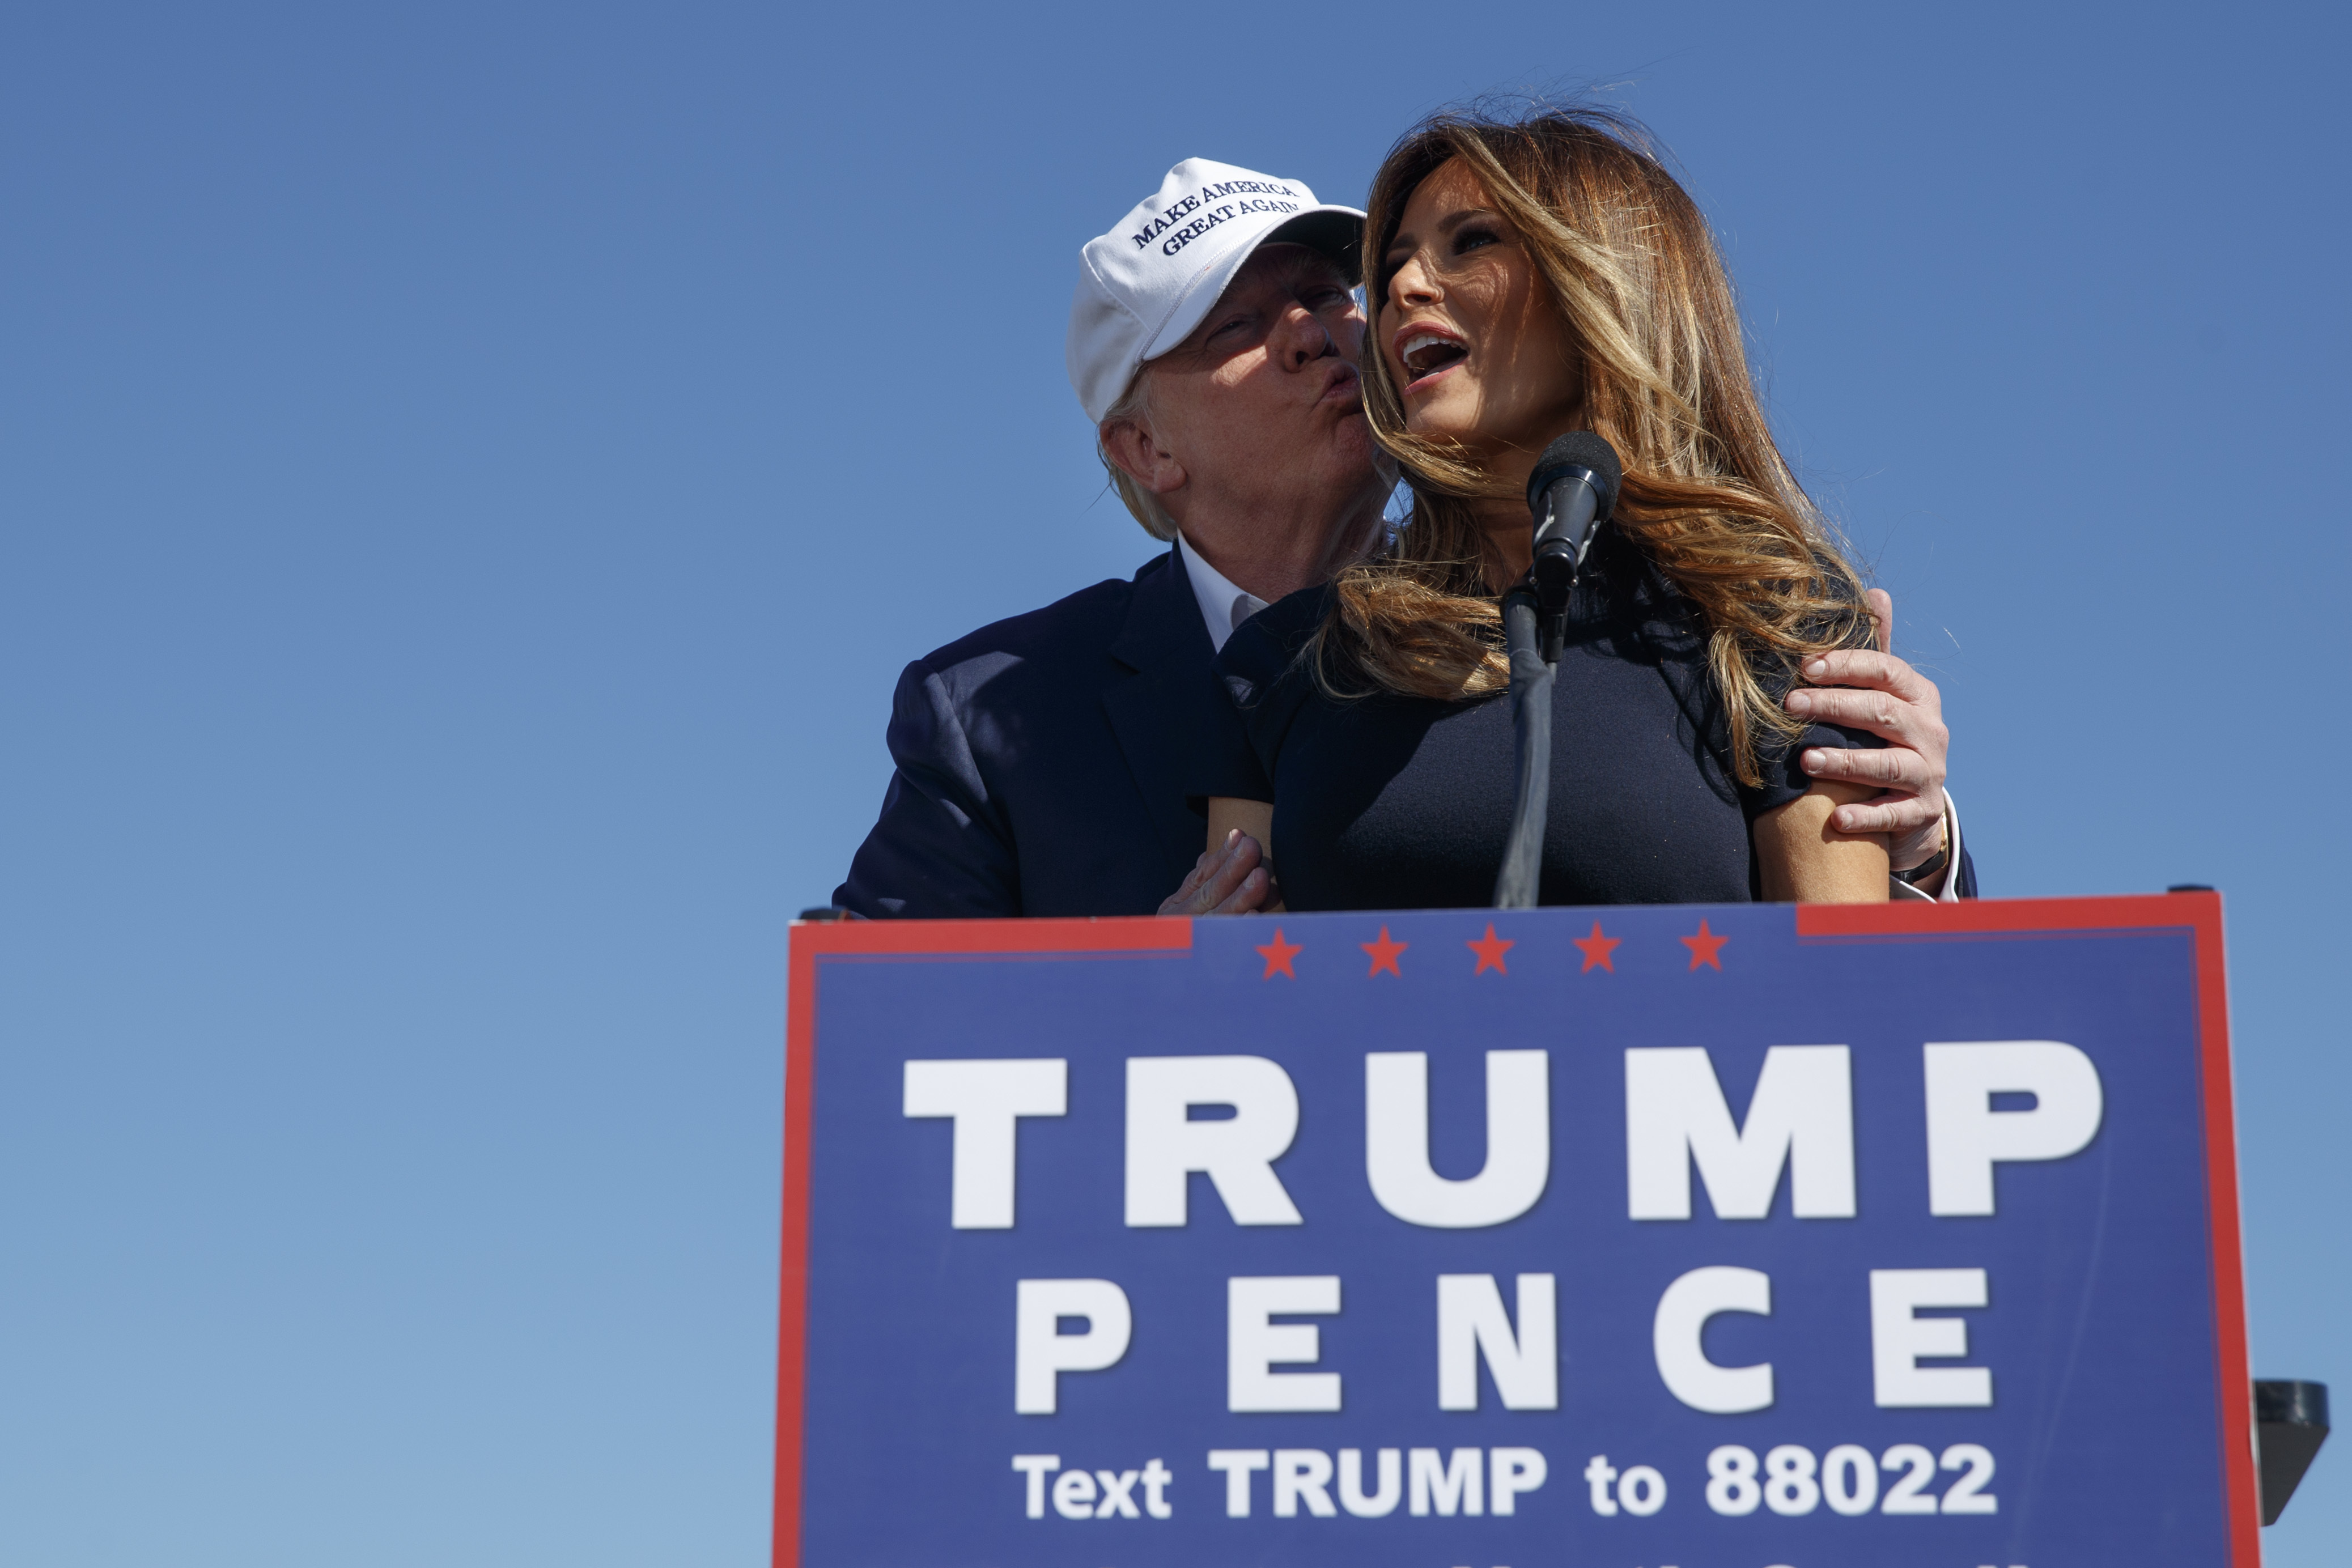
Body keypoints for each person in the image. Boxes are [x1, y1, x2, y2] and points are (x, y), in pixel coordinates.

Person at [833, 154, 1969, 920]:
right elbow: (876, 1051)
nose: (1321, 334)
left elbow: (1863, 999)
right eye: (1238, 324)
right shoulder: (991, 709)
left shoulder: (1585, 600)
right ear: (1143, 451)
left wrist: (1913, 838)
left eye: (1332, 291)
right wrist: (1143, 1009)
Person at [1194, 107, 1964, 909]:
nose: (1401, 288)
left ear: (1603, 283)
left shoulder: (1769, 617)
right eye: (1395, 264)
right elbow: (1234, 1000)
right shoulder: (1286, 658)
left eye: (1471, 242)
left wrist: (1922, 853)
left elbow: (1843, 997)